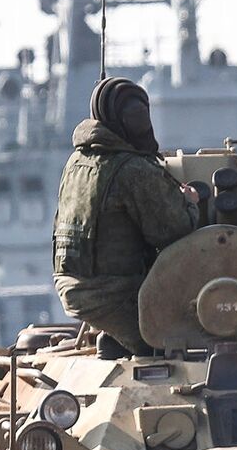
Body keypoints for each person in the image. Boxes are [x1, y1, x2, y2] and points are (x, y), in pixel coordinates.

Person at [52, 77, 199, 354]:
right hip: (113, 295)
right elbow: (173, 230)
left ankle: (116, 341)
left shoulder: (76, 163)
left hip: (74, 287)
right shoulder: (133, 169)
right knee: (184, 345)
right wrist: (189, 203)